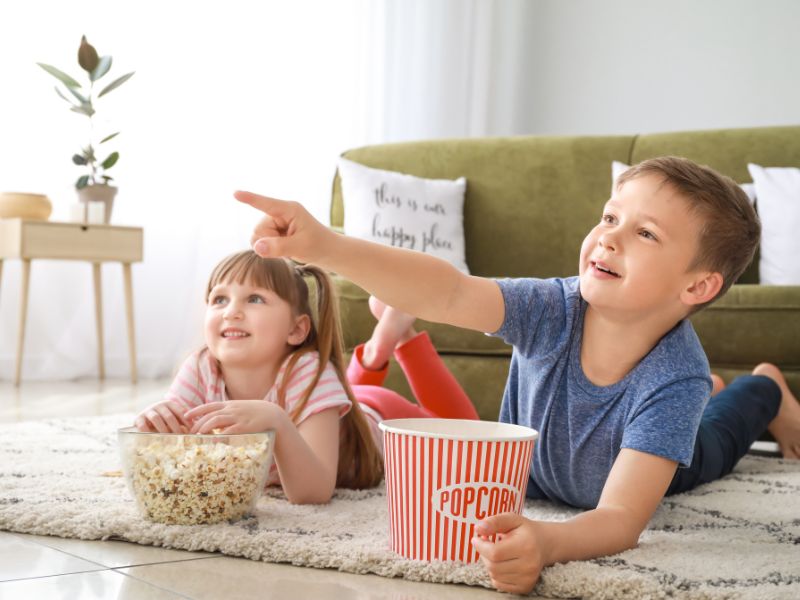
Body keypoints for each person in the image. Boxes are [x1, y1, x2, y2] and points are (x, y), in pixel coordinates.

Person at [233, 155, 800, 594]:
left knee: (720, 436)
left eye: (644, 233)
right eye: (609, 217)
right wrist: (326, 246)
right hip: (549, 474)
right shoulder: (553, 308)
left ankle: (766, 387)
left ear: (697, 287)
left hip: (651, 462)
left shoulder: (678, 378)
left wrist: (548, 540)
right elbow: (449, 290)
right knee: (700, 418)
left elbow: (621, 518)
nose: (608, 236)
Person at [134, 250, 478, 505]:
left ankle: (397, 342)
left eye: (254, 299)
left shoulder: (308, 370)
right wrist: (156, 421)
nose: (232, 311)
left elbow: (313, 492)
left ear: (297, 329)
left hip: (380, 416)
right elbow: (172, 455)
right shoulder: (199, 366)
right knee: (349, 394)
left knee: (469, 437)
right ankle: (375, 351)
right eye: (219, 299)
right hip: (346, 402)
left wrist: (277, 422)